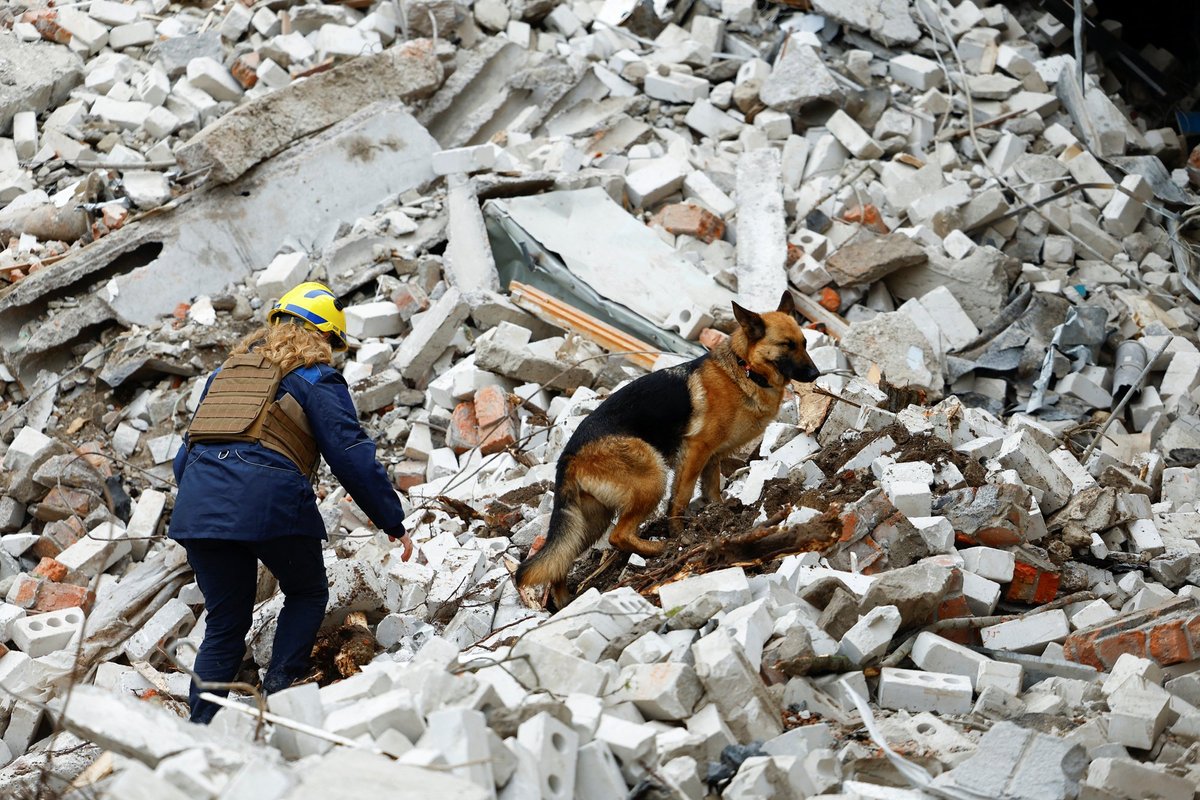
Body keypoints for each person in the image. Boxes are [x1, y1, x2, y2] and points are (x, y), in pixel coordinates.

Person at [169, 281, 411, 724]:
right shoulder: (316, 378)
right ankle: (280, 696)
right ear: (322, 335)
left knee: (225, 622)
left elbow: (186, 457)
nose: (332, 351)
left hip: (199, 505)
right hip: (270, 499)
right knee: (306, 590)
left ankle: (200, 729)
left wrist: (205, 508)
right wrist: (391, 520)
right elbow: (349, 453)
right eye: (333, 342)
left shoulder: (225, 376)